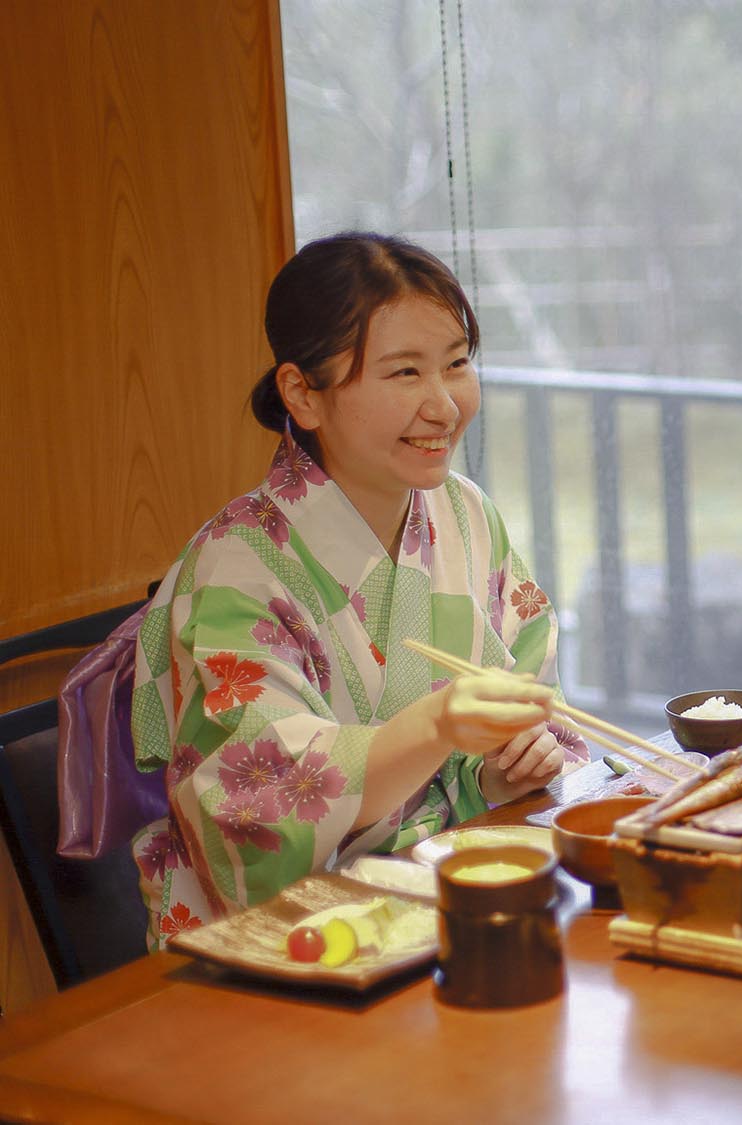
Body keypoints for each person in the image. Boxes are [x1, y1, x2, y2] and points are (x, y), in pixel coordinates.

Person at [130, 233, 583, 947]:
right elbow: (256, 815)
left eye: (458, 363)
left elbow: (531, 697)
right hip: (280, 943)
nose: (444, 404)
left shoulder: (464, 515)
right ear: (303, 394)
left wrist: (504, 767)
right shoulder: (236, 567)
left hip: (437, 910)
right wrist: (435, 728)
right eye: (405, 372)